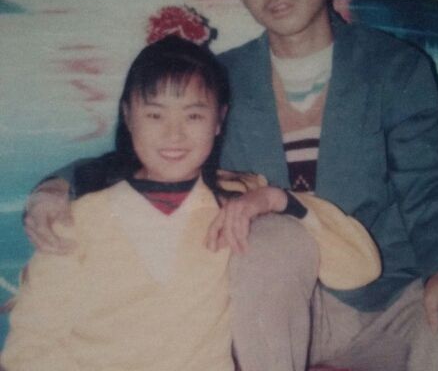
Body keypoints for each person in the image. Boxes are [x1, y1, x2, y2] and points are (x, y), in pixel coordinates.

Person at [22, 0, 438, 371]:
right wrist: (59, 185)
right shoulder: (221, 79)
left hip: (391, 298)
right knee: (271, 238)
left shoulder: (394, 68)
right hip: (270, 307)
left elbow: (434, 183)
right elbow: (149, 154)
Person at [3, 36, 379, 371]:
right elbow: (33, 343)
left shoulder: (235, 197)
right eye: (155, 115)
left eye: (194, 115)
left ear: (219, 120)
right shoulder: (79, 219)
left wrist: (276, 199)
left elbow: (359, 267)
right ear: (128, 115)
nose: (174, 134)